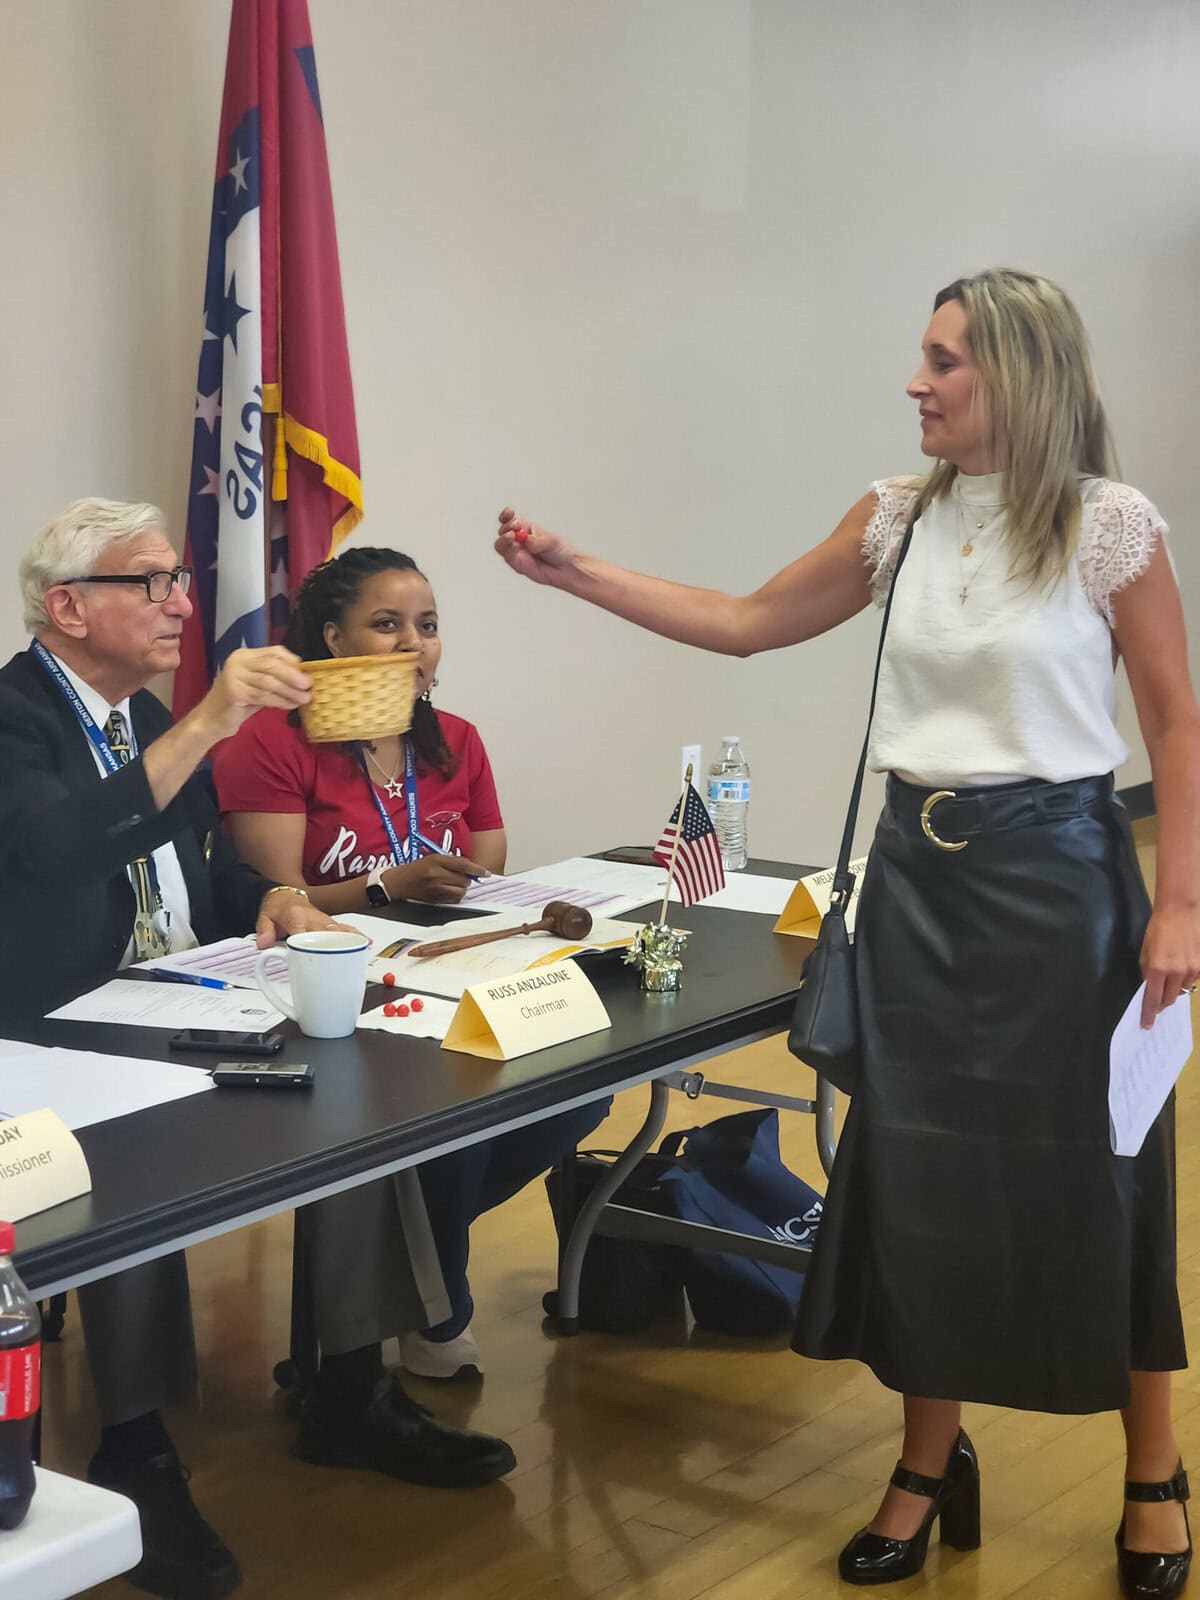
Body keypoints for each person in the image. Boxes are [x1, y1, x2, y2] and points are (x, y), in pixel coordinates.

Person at [493, 269, 1200, 1599]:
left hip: (1066, 888)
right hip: (921, 896)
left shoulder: (1110, 528)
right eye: (921, 359)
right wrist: (572, 569)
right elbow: (751, 623)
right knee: (922, 1184)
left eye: (944, 363)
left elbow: (1176, 722)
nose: (917, 383)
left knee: (1101, 1174)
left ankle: (1152, 1467)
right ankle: (926, 1463)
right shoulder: (895, 519)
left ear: (1022, 379)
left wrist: (1182, 903)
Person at [0, 500, 517, 1600]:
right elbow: (52, 851)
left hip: (183, 985)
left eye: (180, 580)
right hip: (62, 1017)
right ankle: (134, 1442)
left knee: (361, 1077)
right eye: (149, 582)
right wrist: (205, 725)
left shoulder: (143, 719)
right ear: (68, 606)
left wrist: (274, 892)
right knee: (130, 1154)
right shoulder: (14, 718)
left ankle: (346, 1382)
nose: (179, 601)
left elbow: (194, 874)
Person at [212, 545, 609, 1380]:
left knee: (582, 1087)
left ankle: (421, 1258)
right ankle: (436, 1310)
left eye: (426, 626)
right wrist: (387, 887)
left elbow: (492, 865)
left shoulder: (456, 740)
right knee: (453, 1105)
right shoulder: (270, 742)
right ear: (331, 637)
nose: (412, 645)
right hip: (327, 985)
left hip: (450, 965)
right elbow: (276, 896)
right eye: (386, 624)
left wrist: (440, 891)